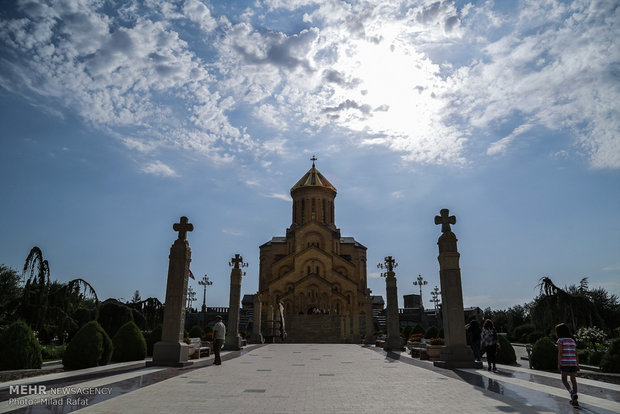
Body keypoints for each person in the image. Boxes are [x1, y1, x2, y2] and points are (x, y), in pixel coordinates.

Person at [556, 323, 580, 407]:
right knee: (573, 380)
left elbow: (560, 352)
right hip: (573, 363)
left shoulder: (560, 340)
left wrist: (559, 363)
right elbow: (576, 353)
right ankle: (575, 400)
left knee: (564, 380)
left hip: (565, 363)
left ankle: (572, 393)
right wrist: (577, 364)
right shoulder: (572, 340)